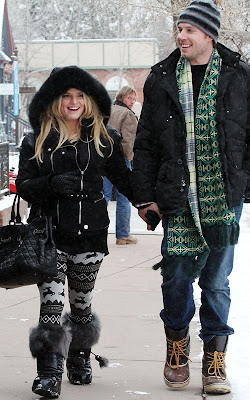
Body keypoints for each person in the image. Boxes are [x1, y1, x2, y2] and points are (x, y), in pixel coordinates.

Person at [132, 0, 250, 395]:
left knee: (216, 282)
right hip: (176, 197)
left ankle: (215, 363)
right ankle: (177, 348)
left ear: (208, 34)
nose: (181, 36)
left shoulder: (239, 76)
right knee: (176, 278)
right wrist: (144, 196)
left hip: (223, 198)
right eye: (179, 30)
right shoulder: (161, 77)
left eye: (189, 30)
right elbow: (146, 143)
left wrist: (243, 186)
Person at [16, 66, 134, 398]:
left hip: (90, 233)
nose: (73, 101)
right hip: (49, 235)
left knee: (81, 303)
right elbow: (23, 184)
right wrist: (50, 185)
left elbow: (124, 180)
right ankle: (49, 371)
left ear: (89, 101)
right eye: (66, 96)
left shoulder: (104, 137)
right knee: (50, 306)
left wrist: (150, 201)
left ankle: (79, 356)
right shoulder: (37, 137)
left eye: (80, 96)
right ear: (55, 100)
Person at [103, 86, 138, 245]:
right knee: (124, 197)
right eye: (129, 98)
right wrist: (129, 159)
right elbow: (128, 141)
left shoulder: (107, 110)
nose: (132, 101)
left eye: (134, 99)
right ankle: (122, 235)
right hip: (120, 159)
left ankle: (97, 233)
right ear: (122, 97)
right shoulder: (127, 114)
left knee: (103, 197)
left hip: (103, 157)